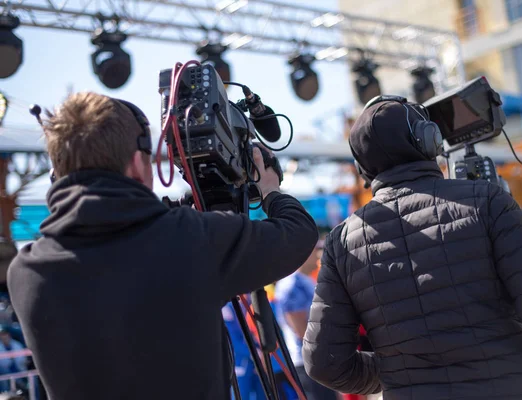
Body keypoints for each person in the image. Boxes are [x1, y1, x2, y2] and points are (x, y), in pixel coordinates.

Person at [7, 92, 318, 400]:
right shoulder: (190, 239)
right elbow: (297, 234)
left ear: (55, 175)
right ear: (136, 165)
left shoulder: (26, 272)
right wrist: (270, 190)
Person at [302, 96, 522, 400]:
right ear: (428, 141)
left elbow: (324, 363)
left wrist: (399, 375)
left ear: (363, 168)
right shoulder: (488, 202)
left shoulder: (340, 243)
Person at [275, 241, 337, 400]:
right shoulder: (291, 285)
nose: (318, 254)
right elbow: (302, 331)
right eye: (316, 250)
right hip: (307, 362)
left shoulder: (305, 280)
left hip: (319, 360)